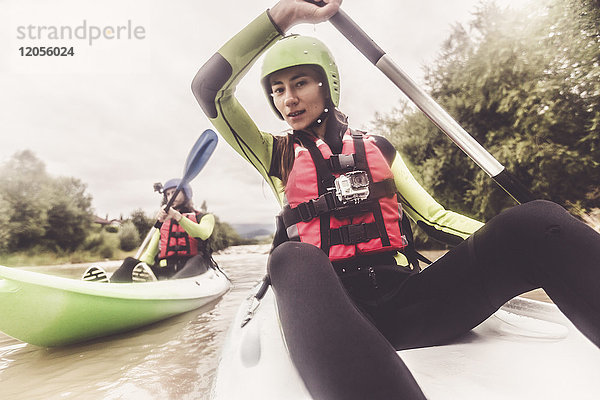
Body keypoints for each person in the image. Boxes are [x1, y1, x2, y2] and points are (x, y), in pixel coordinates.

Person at [191, 0, 600, 398]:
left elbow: (436, 217)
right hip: (333, 315)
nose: (288, 99)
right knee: (289, 256)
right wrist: (283, 15)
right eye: (277, 90)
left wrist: (520, 241)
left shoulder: (378, 149)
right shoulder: (273, 153)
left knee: (534, 220)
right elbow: (209, 90)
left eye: (299, 82)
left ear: (326, 83)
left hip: (411, 304)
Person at [84, 179, 216, 283]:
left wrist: (177, 216)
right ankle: (110, 286)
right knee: (130, 262)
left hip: (196, 269)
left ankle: (172, 287)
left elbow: (202, 233)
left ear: (186, 194)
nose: (171, 196)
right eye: (168, 194)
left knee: (198, 259)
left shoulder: (204, 217)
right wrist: (137, 267)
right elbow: (149, 255)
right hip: (168, 271)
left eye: (175, 192)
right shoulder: (164, 223)